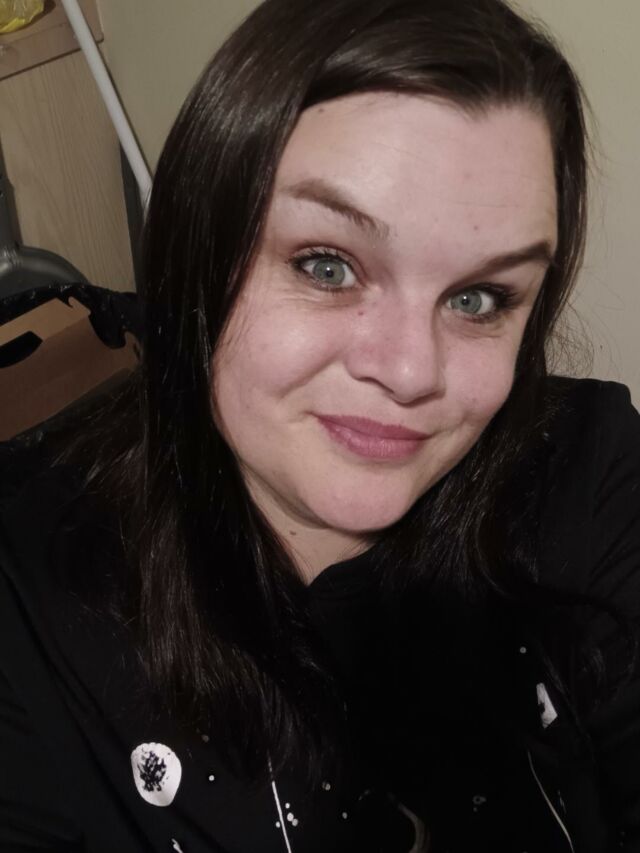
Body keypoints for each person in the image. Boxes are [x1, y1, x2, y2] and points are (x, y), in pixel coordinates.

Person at [0, 0, 638, 850]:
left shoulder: (586, 471)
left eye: (479, 297)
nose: (411, 371)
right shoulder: (28, 611)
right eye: (328, 266)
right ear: (197, 252)